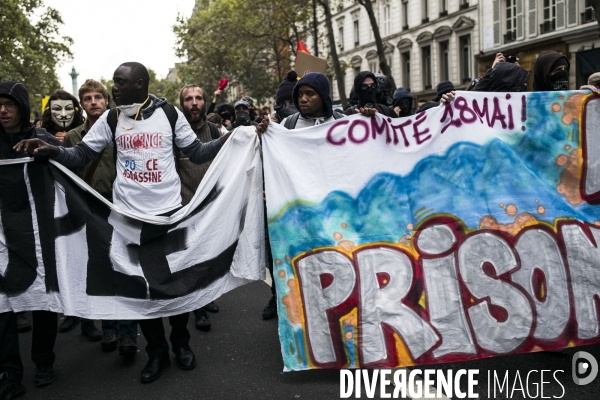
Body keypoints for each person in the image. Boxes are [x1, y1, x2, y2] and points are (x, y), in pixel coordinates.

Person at [14, 62, 233, 384]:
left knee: (173, 286)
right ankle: (156, 353)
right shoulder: (112, 118)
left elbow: (198, 153)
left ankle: (181, 343)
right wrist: (53, 151)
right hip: (128, 219)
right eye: (114, 83)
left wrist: (232, 138)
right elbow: (81, 155)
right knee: (142, 290)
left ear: (140, 84)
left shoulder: (170, 114)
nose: (113, 88)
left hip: (168, 217)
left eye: (119, 83)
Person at [255, 72, 376, 319]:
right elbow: (270, 159)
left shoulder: (344, 122)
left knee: (337, 265)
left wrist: (370, 123)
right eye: (300, 94)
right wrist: (262, 135)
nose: (303, 99)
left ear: (323, 95)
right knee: (303, 267)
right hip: (300, 212)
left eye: (309, 93)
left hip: (335, 212)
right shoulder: (287, 126)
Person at [63, 79, 139, 355]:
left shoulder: (124, 131)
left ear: (107, 102)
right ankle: (110, 328)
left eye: (98, 97)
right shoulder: (72, 138)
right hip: (90, 213)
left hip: (123, 209)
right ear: (81, 105)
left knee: (126, 270)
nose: (93, 102)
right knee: (102, 270)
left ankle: (130, 333)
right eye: (87, 98)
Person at [0, 81, 62, 397]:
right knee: (3, 306)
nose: (2, 110)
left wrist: (48, 151)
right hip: (2, 238)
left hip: (38, 235)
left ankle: (44, 361)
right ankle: (9, 372)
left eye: (9, 104)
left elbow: (72, 163)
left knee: (43, 300)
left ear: (22, 107)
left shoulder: (42, 138)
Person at [177, 84, 222, 331]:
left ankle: (207, 295)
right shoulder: (175, 134)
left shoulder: (214, 130)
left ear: (205, 102)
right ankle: (198, 308)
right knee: (191, 259)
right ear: (182, 104)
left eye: (198, 98)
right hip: (185, 209)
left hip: (210, 208)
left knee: (208, 256)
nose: (194, 103)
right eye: (188, 99)